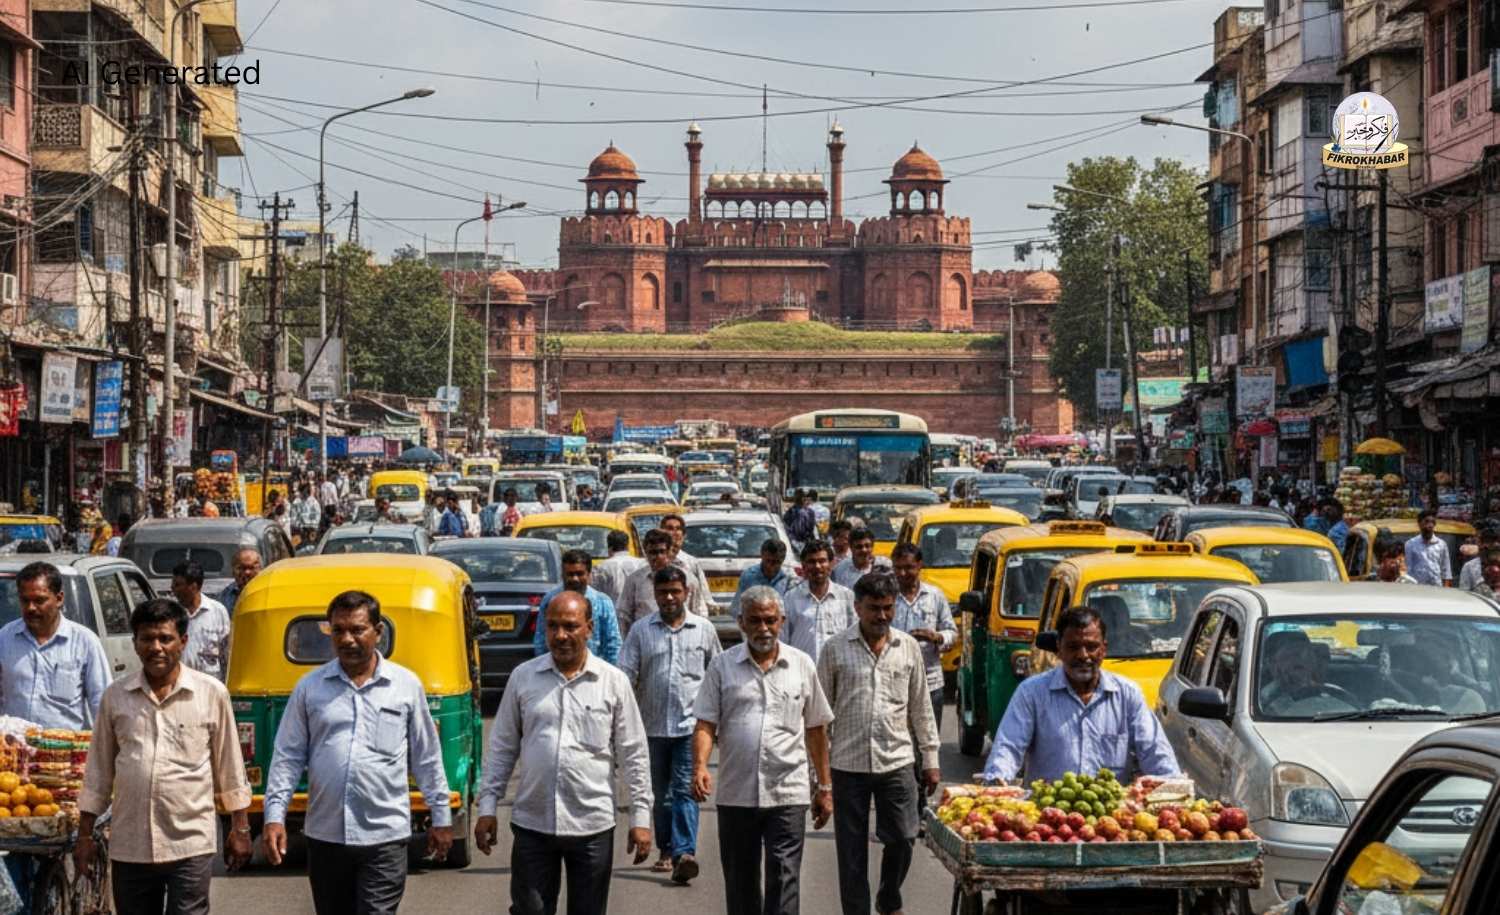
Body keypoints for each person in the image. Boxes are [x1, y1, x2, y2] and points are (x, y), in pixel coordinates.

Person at [263, 591, 452, 915]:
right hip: (326, 836)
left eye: (357, 630)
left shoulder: (405, 686)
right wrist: (274, 815)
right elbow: (288, 756)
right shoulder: (310, 688)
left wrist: (441, 816)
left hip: (385, 836)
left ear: (378, 632)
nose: (347, 639)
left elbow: (426, 756)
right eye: (338, 631)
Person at [475, 591, 654, 915]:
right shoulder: (523, 677)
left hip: (592, 825)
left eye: (570, 626)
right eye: (553, 626)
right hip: (533, 822)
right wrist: (487, 805)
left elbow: (634, 752)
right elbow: (502, 746)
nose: (561, 635)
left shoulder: (613, 682)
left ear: (589, 628)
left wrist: (640, 818)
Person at [77, 598, 253, 915]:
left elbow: (229, 766)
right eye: (147, 639)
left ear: (182, 642)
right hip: (131, 843)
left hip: (190, 841)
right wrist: (85, 835)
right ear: (135, 643)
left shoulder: (211, 693)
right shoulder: (116, 696)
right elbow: (98, 771)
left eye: (165, 638)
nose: (156, 647)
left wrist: (240, 829)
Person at [690, 586, 833, 915]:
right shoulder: (722, 667)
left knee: (785, 878)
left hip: (788, 792)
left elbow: (815, 728)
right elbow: (705, 724)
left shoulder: (801, 665)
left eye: (770, 620)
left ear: (782, 621)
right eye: (755, 621)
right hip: (736, 793)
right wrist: (700, 766)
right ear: (740, 622)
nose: (763, 628)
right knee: (740, 884)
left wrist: (824, 787)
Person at [817, 573, 940, 915]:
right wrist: (820, 778)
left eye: (888, 608)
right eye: (874, 609)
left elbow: (920, 706)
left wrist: (930, 758)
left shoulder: (908, 647)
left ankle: (889, 898)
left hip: (897, 761)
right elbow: (818, 716)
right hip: (847, 764)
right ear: (858, 607)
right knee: (851, 852)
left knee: (903, 837)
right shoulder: (835, 649)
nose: (882, 616)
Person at [982, 606, 1180, 784]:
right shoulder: (1031, 693)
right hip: (1047, 815)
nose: (1083, 655)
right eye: (1073, 647)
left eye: (1091, 647)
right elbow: (1007, 748)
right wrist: (997, 782)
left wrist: (1172, 786)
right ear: (1059, 648)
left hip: (1112, 817)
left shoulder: (1127, 694)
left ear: (1104, 649)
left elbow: (1156, 753)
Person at [619, 566, 723, 884]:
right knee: (659, 794)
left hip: (690, 728)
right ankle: (666, 849)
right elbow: (625, 676)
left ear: (686, 593)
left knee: (685, 790)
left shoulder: (704, 629)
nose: (668, 597)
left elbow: (718, 675)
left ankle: (683, 853)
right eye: (663, 592)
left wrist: (719, 723)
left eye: (675, 591)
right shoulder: (641, 630)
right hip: (650, 727)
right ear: (655, 594)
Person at [0, 562, 111, 728]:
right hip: (14, 751)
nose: (31, 608)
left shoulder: (85, 642)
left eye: (39, 601)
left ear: (59, 599)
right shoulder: (5, 638)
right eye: (25, 601)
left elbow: (102, 702)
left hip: (65, 751)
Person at [890, 543, 956, 781]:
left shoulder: (934, 596)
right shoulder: (887, 597)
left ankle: (921, 792)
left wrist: (936, 637)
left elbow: (952, 631)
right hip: (895, 682)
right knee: (900, 742)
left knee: (927, 740)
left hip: (930, 681)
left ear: (919, 566)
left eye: (908, 568)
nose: (903, 574)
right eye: (898, 568)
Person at [530, 550, 623, 665]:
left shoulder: (603, 602)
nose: (575, 579)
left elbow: (613, 643)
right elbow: (540, 641)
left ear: (589, 575)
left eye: (579, 574)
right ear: (562, 575)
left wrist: (609, 675)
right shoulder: (550, 600)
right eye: (570, 574)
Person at [618, 530, 710, 635]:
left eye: (662, 551)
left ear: (670, 552)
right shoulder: (635, 580)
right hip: (647, 640)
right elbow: (624, 615)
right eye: (653, 552)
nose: (658, 557)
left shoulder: (688, 579)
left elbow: (699, 611)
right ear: (645, 553)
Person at [780, 541, 856, 663]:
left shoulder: (846, 596)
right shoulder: (791, 597)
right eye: (811, 562)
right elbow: (783, 637)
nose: (817, 566)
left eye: (822, 561)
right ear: (803, 566)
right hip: (802, 669)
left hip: (838, 668)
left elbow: (854, 634)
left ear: (831, 564)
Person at [170, 561, 231, 683]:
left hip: (210, 683)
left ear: (193, 586)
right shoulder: (171, 612)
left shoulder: (217, 611)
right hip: (179, 683)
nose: (172, 588)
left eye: (177, 585)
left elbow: (226, 653)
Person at [733, 538, 792, 613]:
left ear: (783, 559)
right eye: (768, 561)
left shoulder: (789, 580)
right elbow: (737, 608)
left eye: (776, 562)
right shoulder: (748, 577)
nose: (770, 566)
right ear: (762, 555)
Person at [592, 531, 645, 606]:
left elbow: (595, 593)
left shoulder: (601, 567)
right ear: (627, 546)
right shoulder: (642, 564)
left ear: (609, 547)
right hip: (639, 612)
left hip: (614, 612)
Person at [1404, 509, 1452, 587]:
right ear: (1419, 524)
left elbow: (1446, 570)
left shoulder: (1441, 544)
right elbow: (1408, 570)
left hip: (1437, 589)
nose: (1430, 525)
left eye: (1433, 522)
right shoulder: (1410, 544)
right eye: (1426, 521)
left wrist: (1446, 590)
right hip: (1417, 589)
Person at [216, 548, 263, 614]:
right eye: (242, 568)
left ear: (261, 570)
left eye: (252, 567)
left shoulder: (269, 592)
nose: (247, 572)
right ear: (233, 571)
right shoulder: (225, 597)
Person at [1460, 522, 1500, 591]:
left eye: (1492, 541)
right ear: (1479, 542)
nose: (1486, 546)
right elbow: (1464, 593)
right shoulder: (1469, 566)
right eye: (1484, 541)